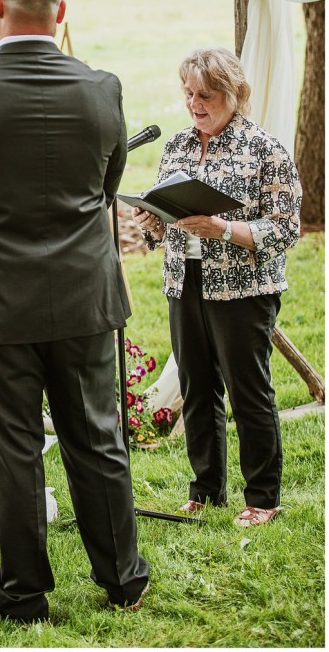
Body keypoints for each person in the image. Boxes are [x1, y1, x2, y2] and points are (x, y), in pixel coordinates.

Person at [0, 0, 150, 622]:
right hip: (82, 295)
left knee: (13, 448)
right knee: (97, 438)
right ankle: (123, 582)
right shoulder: (101, 88)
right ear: (61, 12)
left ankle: (23, 597)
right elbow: (105, 188)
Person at [133, 47, 302, 527]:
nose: (194, 104)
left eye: (205, 95)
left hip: (243, 288)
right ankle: (206, 490)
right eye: (188, 94)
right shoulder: (178, 146)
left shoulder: (264, 149)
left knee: (249, 391)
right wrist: (153, 222)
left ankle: (263, 497)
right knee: (197, 386)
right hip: (183, 280)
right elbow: (167, 223)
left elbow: (286, 228)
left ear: (234, 93)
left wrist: (225, 230)